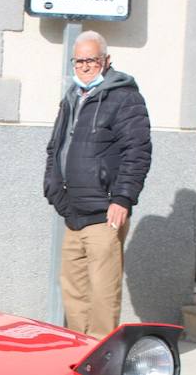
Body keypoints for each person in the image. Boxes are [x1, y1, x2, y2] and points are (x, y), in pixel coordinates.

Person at [43, 30, 152, 337]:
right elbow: (56, 147)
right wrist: (53, 188)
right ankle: (81, 349)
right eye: (79, 61)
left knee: (103, 293)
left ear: (106, 61)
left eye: (92, 59)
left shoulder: (124, 97)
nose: (85, 67)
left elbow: (138, 151)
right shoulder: (71, 98)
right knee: (74, 292)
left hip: (105, 213)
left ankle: (100, 356)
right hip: (73, 212)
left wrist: (122, 199)